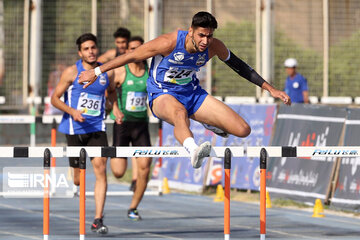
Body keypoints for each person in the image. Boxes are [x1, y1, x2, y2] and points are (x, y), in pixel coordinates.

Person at [79, 11, 291, 170]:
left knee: (243, 129)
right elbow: (130, 56)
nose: (204, 41)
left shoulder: (214, 46)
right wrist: (96, 71)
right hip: (162, 94)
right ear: (191, 31)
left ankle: (207, 121)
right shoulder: (169, 42)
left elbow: (239, 66)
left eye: (209, 36)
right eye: (201, 35)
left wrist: (270, 89)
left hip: (192, 94)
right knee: (180, 114)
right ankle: (193, 150)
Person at [51, 33, 122, 234]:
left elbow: (112, 92)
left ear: (97, 49)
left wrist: (114, 107)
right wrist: (72, 111)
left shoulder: (107, 72)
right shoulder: (71, 72)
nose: (91, 51)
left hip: (97, 127)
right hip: (74, 129)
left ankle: (97, 219)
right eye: (86, 49)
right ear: (80, 52)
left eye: (93, 47)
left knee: (100, 169)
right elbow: (55, 99)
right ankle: (76, 176)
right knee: (77, 179)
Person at [108, 36, 152, 220]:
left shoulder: (151, 71)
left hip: (141, 125)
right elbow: (108, 91)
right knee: (118, 172)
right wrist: (115, 109)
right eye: (132, 48)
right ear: (127, 51)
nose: (135, 51)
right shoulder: (120, 71)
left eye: (139, 48)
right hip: (122, 125)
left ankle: (133, 207)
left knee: (145, 168)